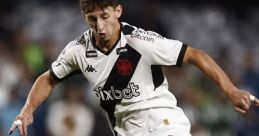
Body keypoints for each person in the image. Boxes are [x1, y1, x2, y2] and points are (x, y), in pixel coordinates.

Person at [8, 0, 259, 136]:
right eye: (92, 18)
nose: (100, 25)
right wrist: (28, 109)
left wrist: (230, 90)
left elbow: (195, 54)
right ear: (84, 16)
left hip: (164, 124)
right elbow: (48, 78)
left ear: (118, 10)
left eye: (105, 16)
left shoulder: (140, 41)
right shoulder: (78, 50)